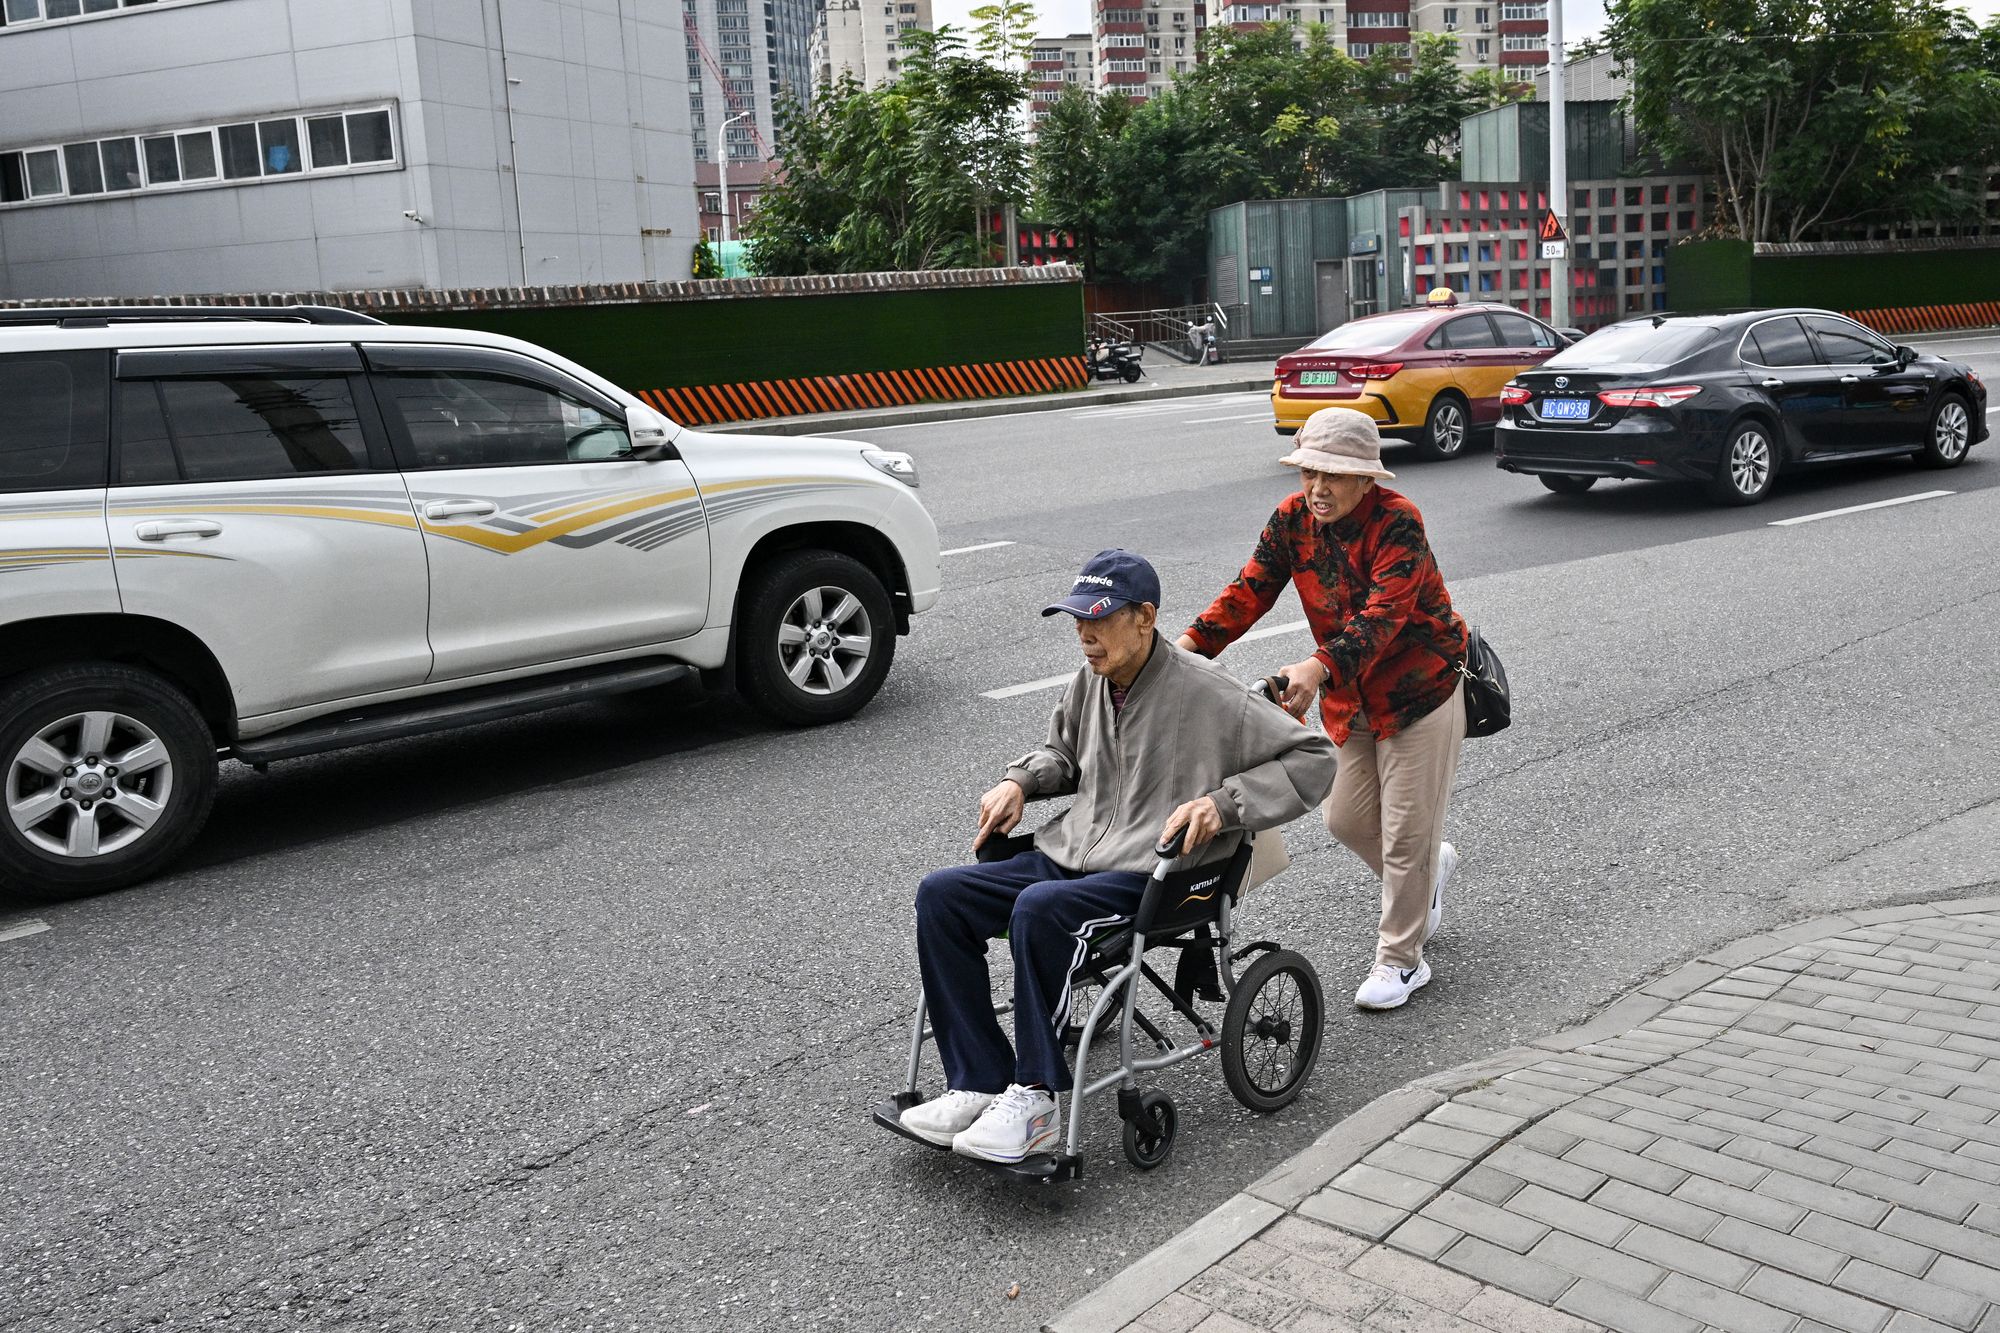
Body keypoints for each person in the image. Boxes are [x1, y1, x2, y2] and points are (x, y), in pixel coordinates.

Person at [902, 550, 1338, 1163]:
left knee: (1038, 910)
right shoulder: (1094, 679)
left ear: (1144, 618)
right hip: (1077, 850)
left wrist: (1224, 803)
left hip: (1151, 873)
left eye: (1099, 619)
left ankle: (1035, 1099)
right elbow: (1063, 753)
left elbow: (1316, 758)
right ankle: (978, 1078)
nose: (1084, 634)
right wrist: (1020, 782)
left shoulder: (1209, 692)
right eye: (1077, 619)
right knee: (941, 895)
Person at [1178, 407, 1469, 1012]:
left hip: (1420, 692)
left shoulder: (1398, 523)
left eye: (1333, 475)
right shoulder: (1292, 520)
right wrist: (1181, 652)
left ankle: (1402, 961)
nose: (1317, 488)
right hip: (1351, 699)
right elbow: (1248, 591)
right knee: (1345, 820)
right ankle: (1423, 876)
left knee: (1405, 833)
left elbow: (1382, 618)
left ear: (1367, 478)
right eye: (1309, 471)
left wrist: (1315, 667)